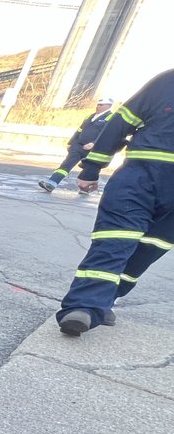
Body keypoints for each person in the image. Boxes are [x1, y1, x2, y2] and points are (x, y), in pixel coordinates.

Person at [55, 69, 174, 337]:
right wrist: (92, 167)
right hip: (141, 177)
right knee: (115, 240)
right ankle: (83, 307)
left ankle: (104, 298)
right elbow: (121, 123)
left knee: (149, 250)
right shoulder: (167, 82)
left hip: (145, 179)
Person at [38, 97, 113, 194]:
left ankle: (86, 189)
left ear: (108, 106)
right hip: (78, 146)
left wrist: (94, 143)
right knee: (66, 165)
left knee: (89, 170)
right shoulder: (90, 116)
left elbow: (106, 134)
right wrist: (71, 143)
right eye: (98, 104)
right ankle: (51, 184)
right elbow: (79, 130)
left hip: (93, 149)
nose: (98, 106)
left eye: (101, 105)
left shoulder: (110, 118)